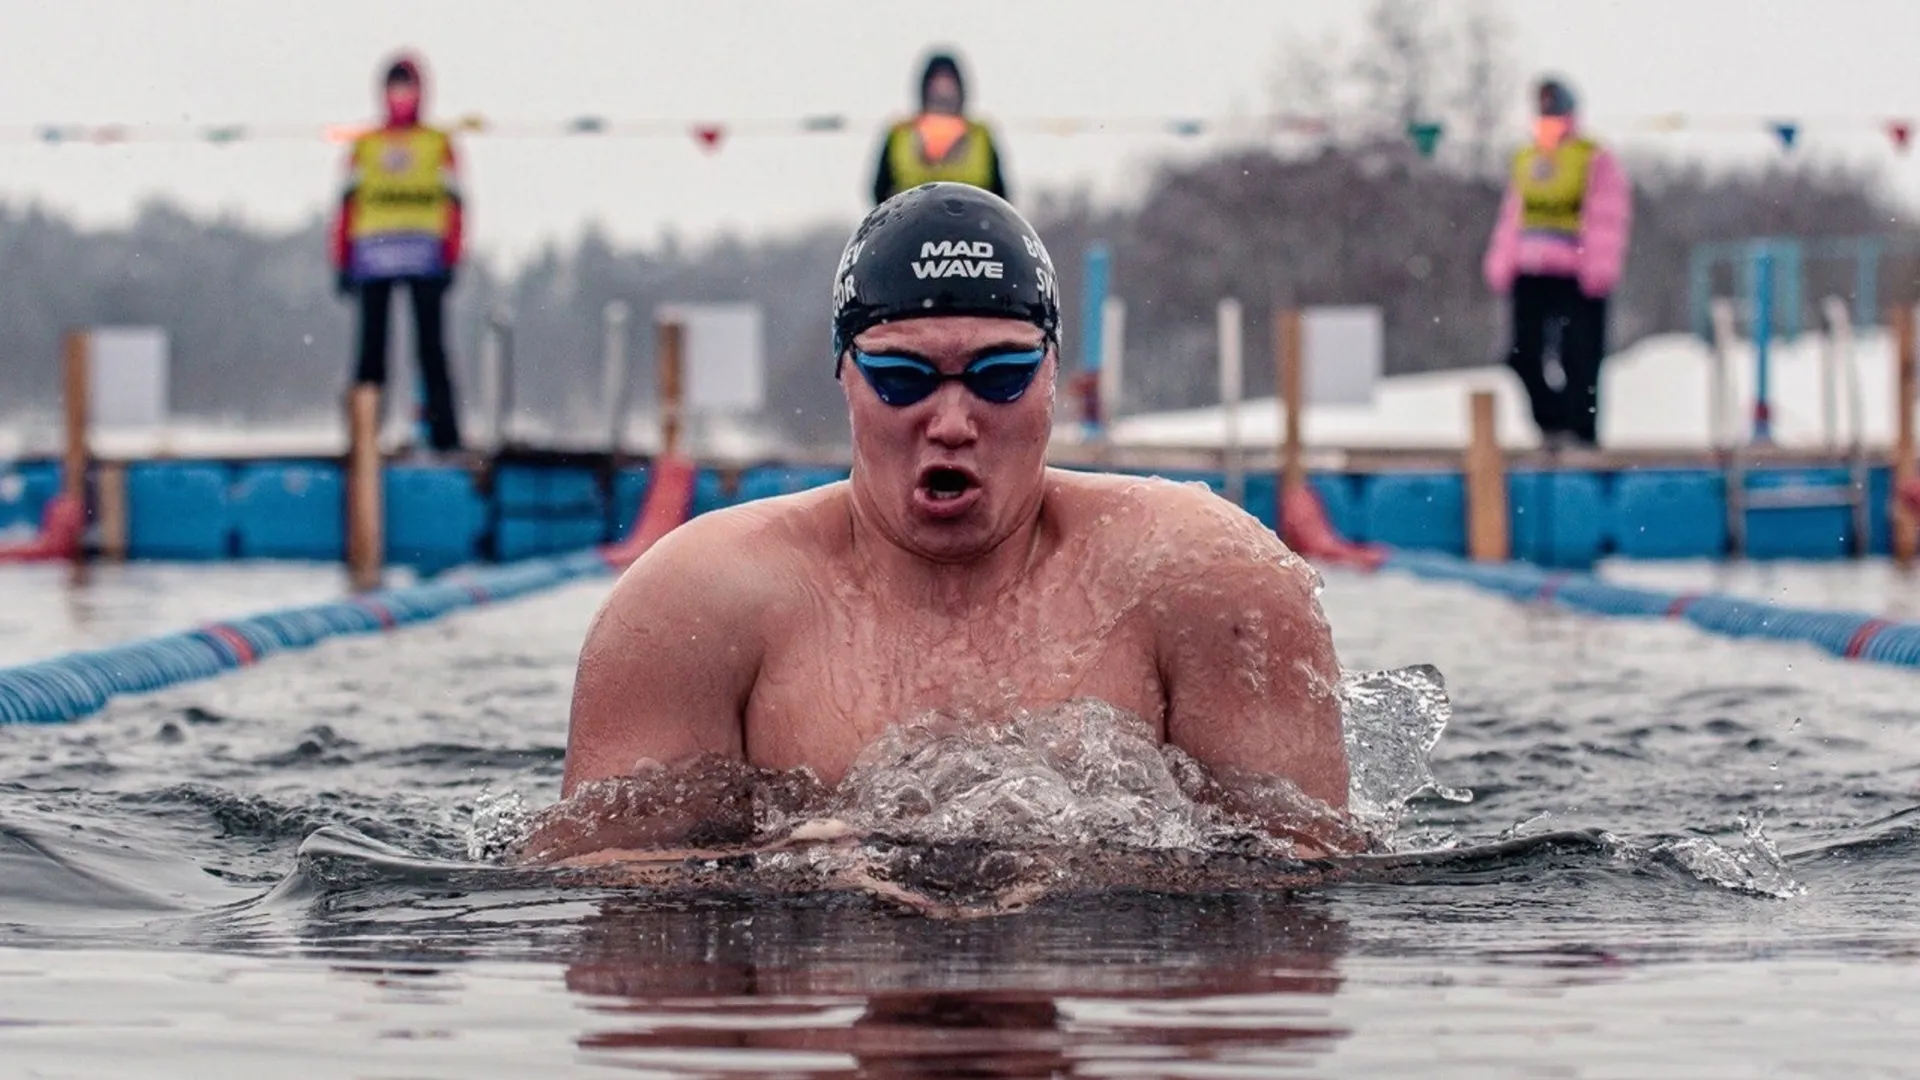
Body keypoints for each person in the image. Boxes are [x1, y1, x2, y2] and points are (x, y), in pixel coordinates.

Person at [538, 182, 1357, 863]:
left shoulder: (1205, 578)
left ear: (1053, 380)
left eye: (1000, 376)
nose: (953, 420)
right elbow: (619, 915)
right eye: (903, 379)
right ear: (846, 379)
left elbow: (1299, 900)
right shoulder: (694, 607)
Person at [1482, 76, 1631, 449]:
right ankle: (1552, 423)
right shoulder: (1528, 158)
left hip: (1577, 273)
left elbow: (1606, 216)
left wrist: (1598, 267)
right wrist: (1503, 261)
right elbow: (1514, 216)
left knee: (1580, 357)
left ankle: (1582, 431)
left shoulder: (1592, 157)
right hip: (1531, 271)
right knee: (1522, 354)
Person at [329, 52, 464, 454]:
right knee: (370, 356)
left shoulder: (437, 143)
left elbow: (455, 205)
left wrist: (452, 255)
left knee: (431, 351)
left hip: (425, 260)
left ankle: (445, 438)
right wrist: (342, 259)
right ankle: (365, 438)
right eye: (395, 87)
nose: (401, 96)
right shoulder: (365, 145)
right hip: (374, 261)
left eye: (407, 87)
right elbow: (346, 206)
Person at [870, 51, 1009, 205]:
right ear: (925, 90)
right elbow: (879, 192)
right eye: (936, 87)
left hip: (971, 226)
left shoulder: (980, 133)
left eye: (949, 86)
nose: (943, 94)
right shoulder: (900, 132)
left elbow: (1001, 195)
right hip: (912, 225)